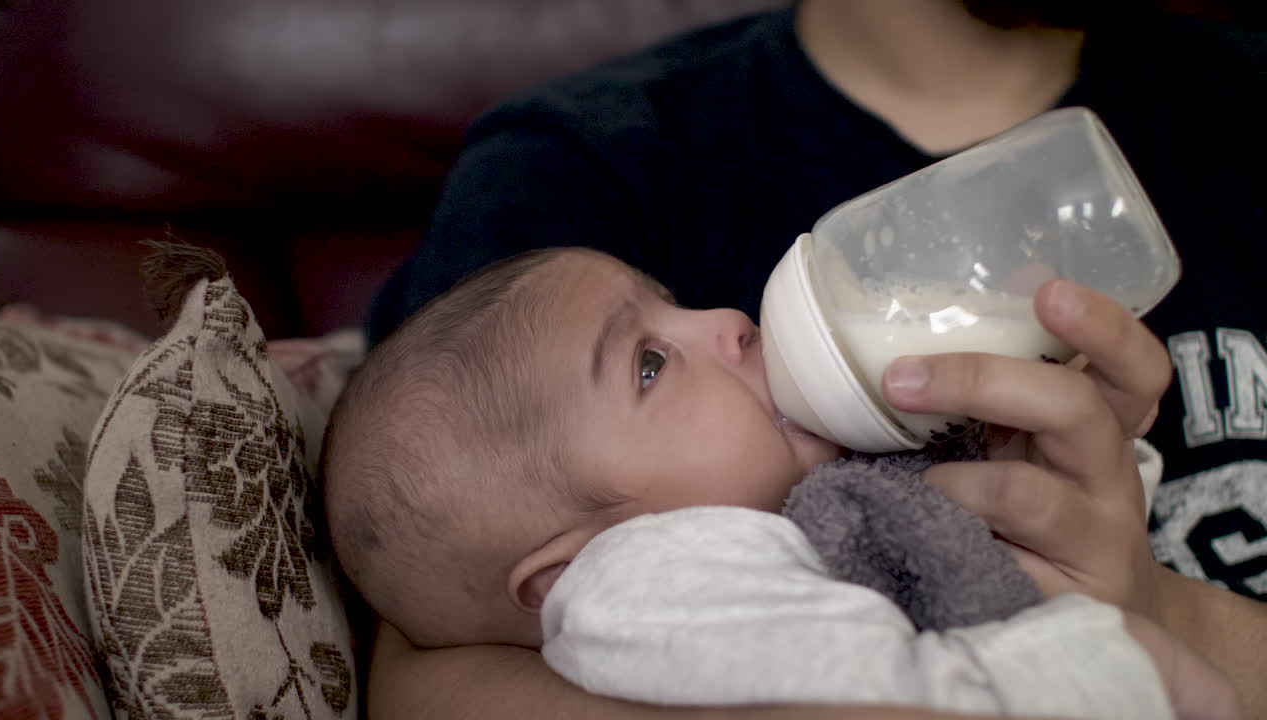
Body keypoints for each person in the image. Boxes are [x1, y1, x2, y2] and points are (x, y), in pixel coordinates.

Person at [365, 1, 1267, 717]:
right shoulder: (580, 172)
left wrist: (1157, 609)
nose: (725, 318)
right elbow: (431, 659)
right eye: (650, 360)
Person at [326, 247, 1234, 719]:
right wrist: (1107, 667)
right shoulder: (649, 581)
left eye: (670, 304)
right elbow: (877, 697)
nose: (724, 319)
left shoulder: (811, 492)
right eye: (648, 364)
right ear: (568, 577)